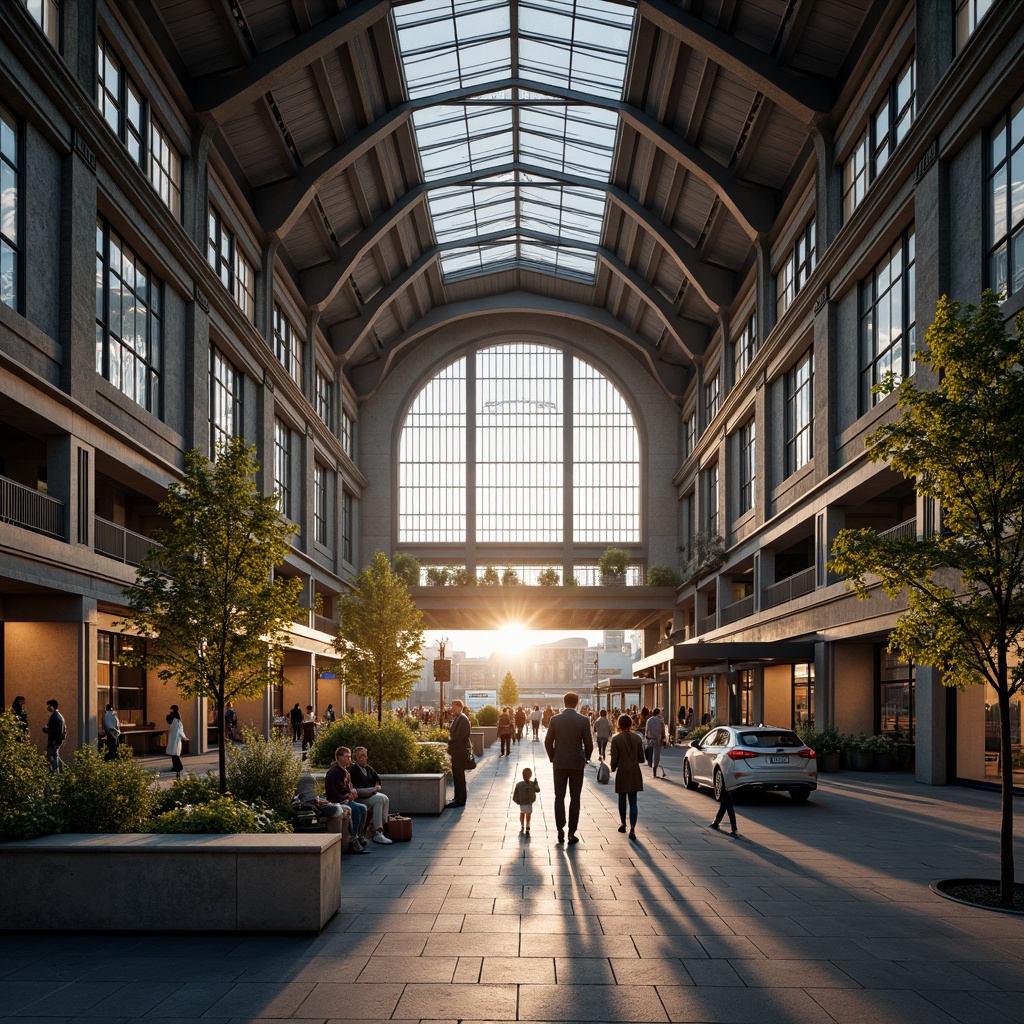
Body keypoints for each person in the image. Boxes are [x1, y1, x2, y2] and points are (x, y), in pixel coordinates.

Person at [543, 691, 593, 845]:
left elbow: (548, 741)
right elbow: (589, 744)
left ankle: (560, 830)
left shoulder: (555, 720)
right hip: (577, 763)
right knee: (575, 797)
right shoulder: (583, 720)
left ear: (564, 702)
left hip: (559, 763)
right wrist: (586, 758)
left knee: (559, 796)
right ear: (576, 703)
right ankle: (572, 832)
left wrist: (553, 757)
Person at [325, 746, 370, 853]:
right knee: (355, 809)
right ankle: (353, 840)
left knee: (363, 808)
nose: (349, 759)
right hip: (336, 801)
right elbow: (333, 792)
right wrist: (346, 797)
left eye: (349, 757)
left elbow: (347, 788)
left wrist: (351, 792)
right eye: (346, 757)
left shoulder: (345, 771)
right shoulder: (334, 771)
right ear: (339, 757)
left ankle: (360, 836)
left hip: (345, 799)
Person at [610, 713, 644, 841]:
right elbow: (641, 758)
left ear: (619, 724)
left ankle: (623, 824)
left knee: (622, 798)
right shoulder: (637, 738)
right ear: (631, 724)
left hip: (622, 771)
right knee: (633, 801)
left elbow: (614, 758)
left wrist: (612, 768)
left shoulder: (616, 739)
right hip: (635, 771)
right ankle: (633, 828)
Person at [349, 746, 393, 844]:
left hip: (372, 793)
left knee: (385, 798)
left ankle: (383, 827)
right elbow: (351, 788)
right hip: (360, 797)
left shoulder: (369, 769)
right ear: (355, 757)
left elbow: (377, 781)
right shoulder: (352, 769)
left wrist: (376, 787)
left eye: (365, 755)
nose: (364, 758)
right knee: (379, 799)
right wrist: (368, 792)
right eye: (361, 755)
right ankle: (377, 832)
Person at [446, 699, 471, 808]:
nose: (452, 709)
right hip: (456, 752)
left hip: (459, 752)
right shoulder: (459, 718)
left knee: (459, 776)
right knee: (457, 775)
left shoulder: (463, 719)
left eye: (454, 707)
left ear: (459, 707)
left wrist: (448, 741)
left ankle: (460, 799)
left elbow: (459, 737)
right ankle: (457, 797)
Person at [512, 767, 540, 835]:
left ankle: (522, 825)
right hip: (529, 802)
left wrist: (518, 801)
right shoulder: (532, 784)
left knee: (522, 813)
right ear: (530, 775)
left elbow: (515, 795)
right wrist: (536, 783)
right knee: (528, 814)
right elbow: (538, 790)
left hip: (522, 802)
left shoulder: (519, 785)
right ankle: (528, 825)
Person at [42, 699, 66, 772]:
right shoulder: (60, 716)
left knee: (53, 756)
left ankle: (56, 773)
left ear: (52, 706)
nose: (48, 707)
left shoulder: (54, 716)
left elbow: (51, 729)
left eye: (49, 706)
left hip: (54, 741)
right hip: (58, 740)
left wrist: (45, 729)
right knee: (54, 756)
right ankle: (59, 771)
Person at [645, 707, 667, 778]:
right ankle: (655, 769)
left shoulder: (649, 720)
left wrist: (647, 737)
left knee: (650, 755)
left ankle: (651, 767)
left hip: (651, 740)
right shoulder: (660, 721)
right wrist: (663, 739)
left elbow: (647, 731)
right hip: (658, 740)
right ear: (658, 713)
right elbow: (663, 732)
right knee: (657, 756)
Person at [166, 705, 187, 779]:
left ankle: (178, 767)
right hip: (175, 739)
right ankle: (176, 767)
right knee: (174, 753)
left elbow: (179, 730)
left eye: (170, 710)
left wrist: (183, 737)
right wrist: (184, 737)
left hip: (175, 739)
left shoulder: (176, 721)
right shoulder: (177, 720)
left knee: (175, 754)